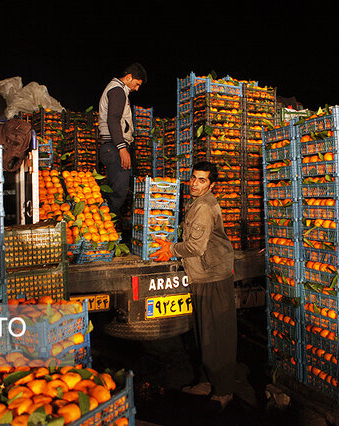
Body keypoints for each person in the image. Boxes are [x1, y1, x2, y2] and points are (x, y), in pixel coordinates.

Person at [150, 161, 237, 411]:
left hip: (213, 276)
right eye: (194, 178)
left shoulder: (204, 207)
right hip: (202, 274)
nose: (195, 184)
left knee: (217, 336)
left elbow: (195, 247)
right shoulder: (196, 202)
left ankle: (224, 391)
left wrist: (171, 249)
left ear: (212, 185)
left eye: (202, 180)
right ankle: (207, 381)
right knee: (204, 335)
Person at [97, 62, 147, 221]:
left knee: (115, 188)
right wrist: (121, 148)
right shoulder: (118, 90)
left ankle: (107, 228)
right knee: (118, 191)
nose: (137, 89)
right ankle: (107, 227)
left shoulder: (117, 90)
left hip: (112, 146)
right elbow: (113, 120)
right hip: (114, 146)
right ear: (128, 77)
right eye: (137, 84)